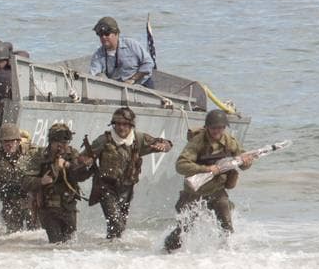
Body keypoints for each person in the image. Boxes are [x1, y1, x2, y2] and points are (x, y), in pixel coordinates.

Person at [163, 109, 254, 253]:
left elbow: (243, 162)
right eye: (214, 128)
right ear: (207, 127)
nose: (217, 131)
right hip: (194, 192)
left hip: (217, 191)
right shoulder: (197, 142)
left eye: (221, 128)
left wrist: (246, 162)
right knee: (184, 229)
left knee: (227, 228)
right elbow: (180, 165)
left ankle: (227, 257)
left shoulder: (230, 142)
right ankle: (165, 251)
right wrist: (207, 169)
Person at [81, 106, 173, 239]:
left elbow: (166, 143)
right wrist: (86, 161)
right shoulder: (103, 140)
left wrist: (164, 146)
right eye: (117, 124)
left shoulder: (138, 139)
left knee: (120, 228)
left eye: (125, 124)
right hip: (106, 188)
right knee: (115, 223)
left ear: (131, 126)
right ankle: (109, 249)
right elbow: (82, 157)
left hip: (126, 189)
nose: (121, 128)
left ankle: (111, 251)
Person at [21, 122, 93, 244]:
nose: (62, 147)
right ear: (51, 142)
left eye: (65, 143)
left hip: (68, 207)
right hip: (48, 209)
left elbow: (80, 176)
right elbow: (25, 182)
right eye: (58, 143)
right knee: (56, 243)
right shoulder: (40, 156)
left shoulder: (72, 155)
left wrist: (67, 165)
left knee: (69, 244)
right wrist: (40, 181)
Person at [88, 17, 155, 88]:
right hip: (117, 89)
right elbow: (93, 73)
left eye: (107, 34)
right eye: (101, 35)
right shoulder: (98, 55)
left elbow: (148, 63)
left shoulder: (131, 45)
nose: (104, 37)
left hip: (141, 85)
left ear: (116, 34)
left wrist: (132, 80)